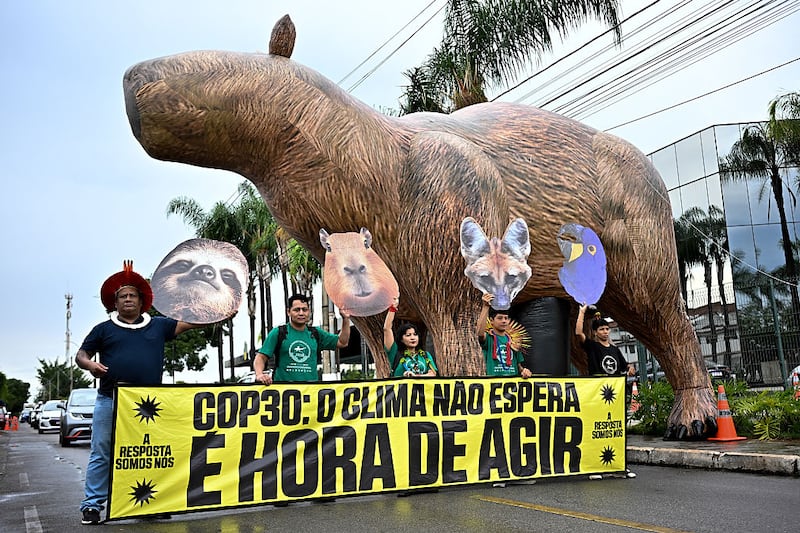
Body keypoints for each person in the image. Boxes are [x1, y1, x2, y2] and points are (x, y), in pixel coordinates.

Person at [75, 261, 201, 525]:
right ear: (115, 302)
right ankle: (92, 505)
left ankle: (149, 503)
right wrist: (90, 365)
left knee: (149, 453)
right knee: (102, 452)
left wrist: (218, 309)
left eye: (133, 295)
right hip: (110, 400)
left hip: (149, 406)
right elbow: (81, 355)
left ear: (142, 301)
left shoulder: (158, 326)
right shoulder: (103, 329)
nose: (128, 299)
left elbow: (190, 323)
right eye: (123, 296)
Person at [575, 304, 637, 480]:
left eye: (607, 329)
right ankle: (594, 467)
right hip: (597, 396)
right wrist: (581, 312)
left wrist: (630, 368)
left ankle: (620, 466)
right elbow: (578, 333)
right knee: (596, 432)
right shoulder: (592, 347)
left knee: (617, 432)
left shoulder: (615, 349)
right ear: (595, 332)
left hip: (615, 398)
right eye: (601, 329)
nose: (605, 332)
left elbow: (625, 367)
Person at [254, 293, 351, 384]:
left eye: (304, 310)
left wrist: (345, 319)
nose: (301, 313)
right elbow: (261, 357)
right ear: (288, 312)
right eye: (297, 310)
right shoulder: (279, 332)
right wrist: (259, 374)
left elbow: (342, 342)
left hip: (310, 394)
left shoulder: (316, 333)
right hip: (283, 395)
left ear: (309, 311)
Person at [476, 293, 532, 378]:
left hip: (511, 387)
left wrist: (524, 371)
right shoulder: (489, 338)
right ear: (491, 321)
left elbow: (518, 367)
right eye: (500, 318)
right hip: (493, 385)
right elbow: (480, 333)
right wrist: (485, 307)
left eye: (506, 318)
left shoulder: (514, 340)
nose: (504, 321)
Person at [383, 297, 438, 377]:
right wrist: (393, 308)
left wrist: (415, 377)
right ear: (401, 339)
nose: (413, 337)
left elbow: (433, 374)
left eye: (415, 334)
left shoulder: (425, 355)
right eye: (408, 335)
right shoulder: (394, 353)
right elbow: (386, 329)